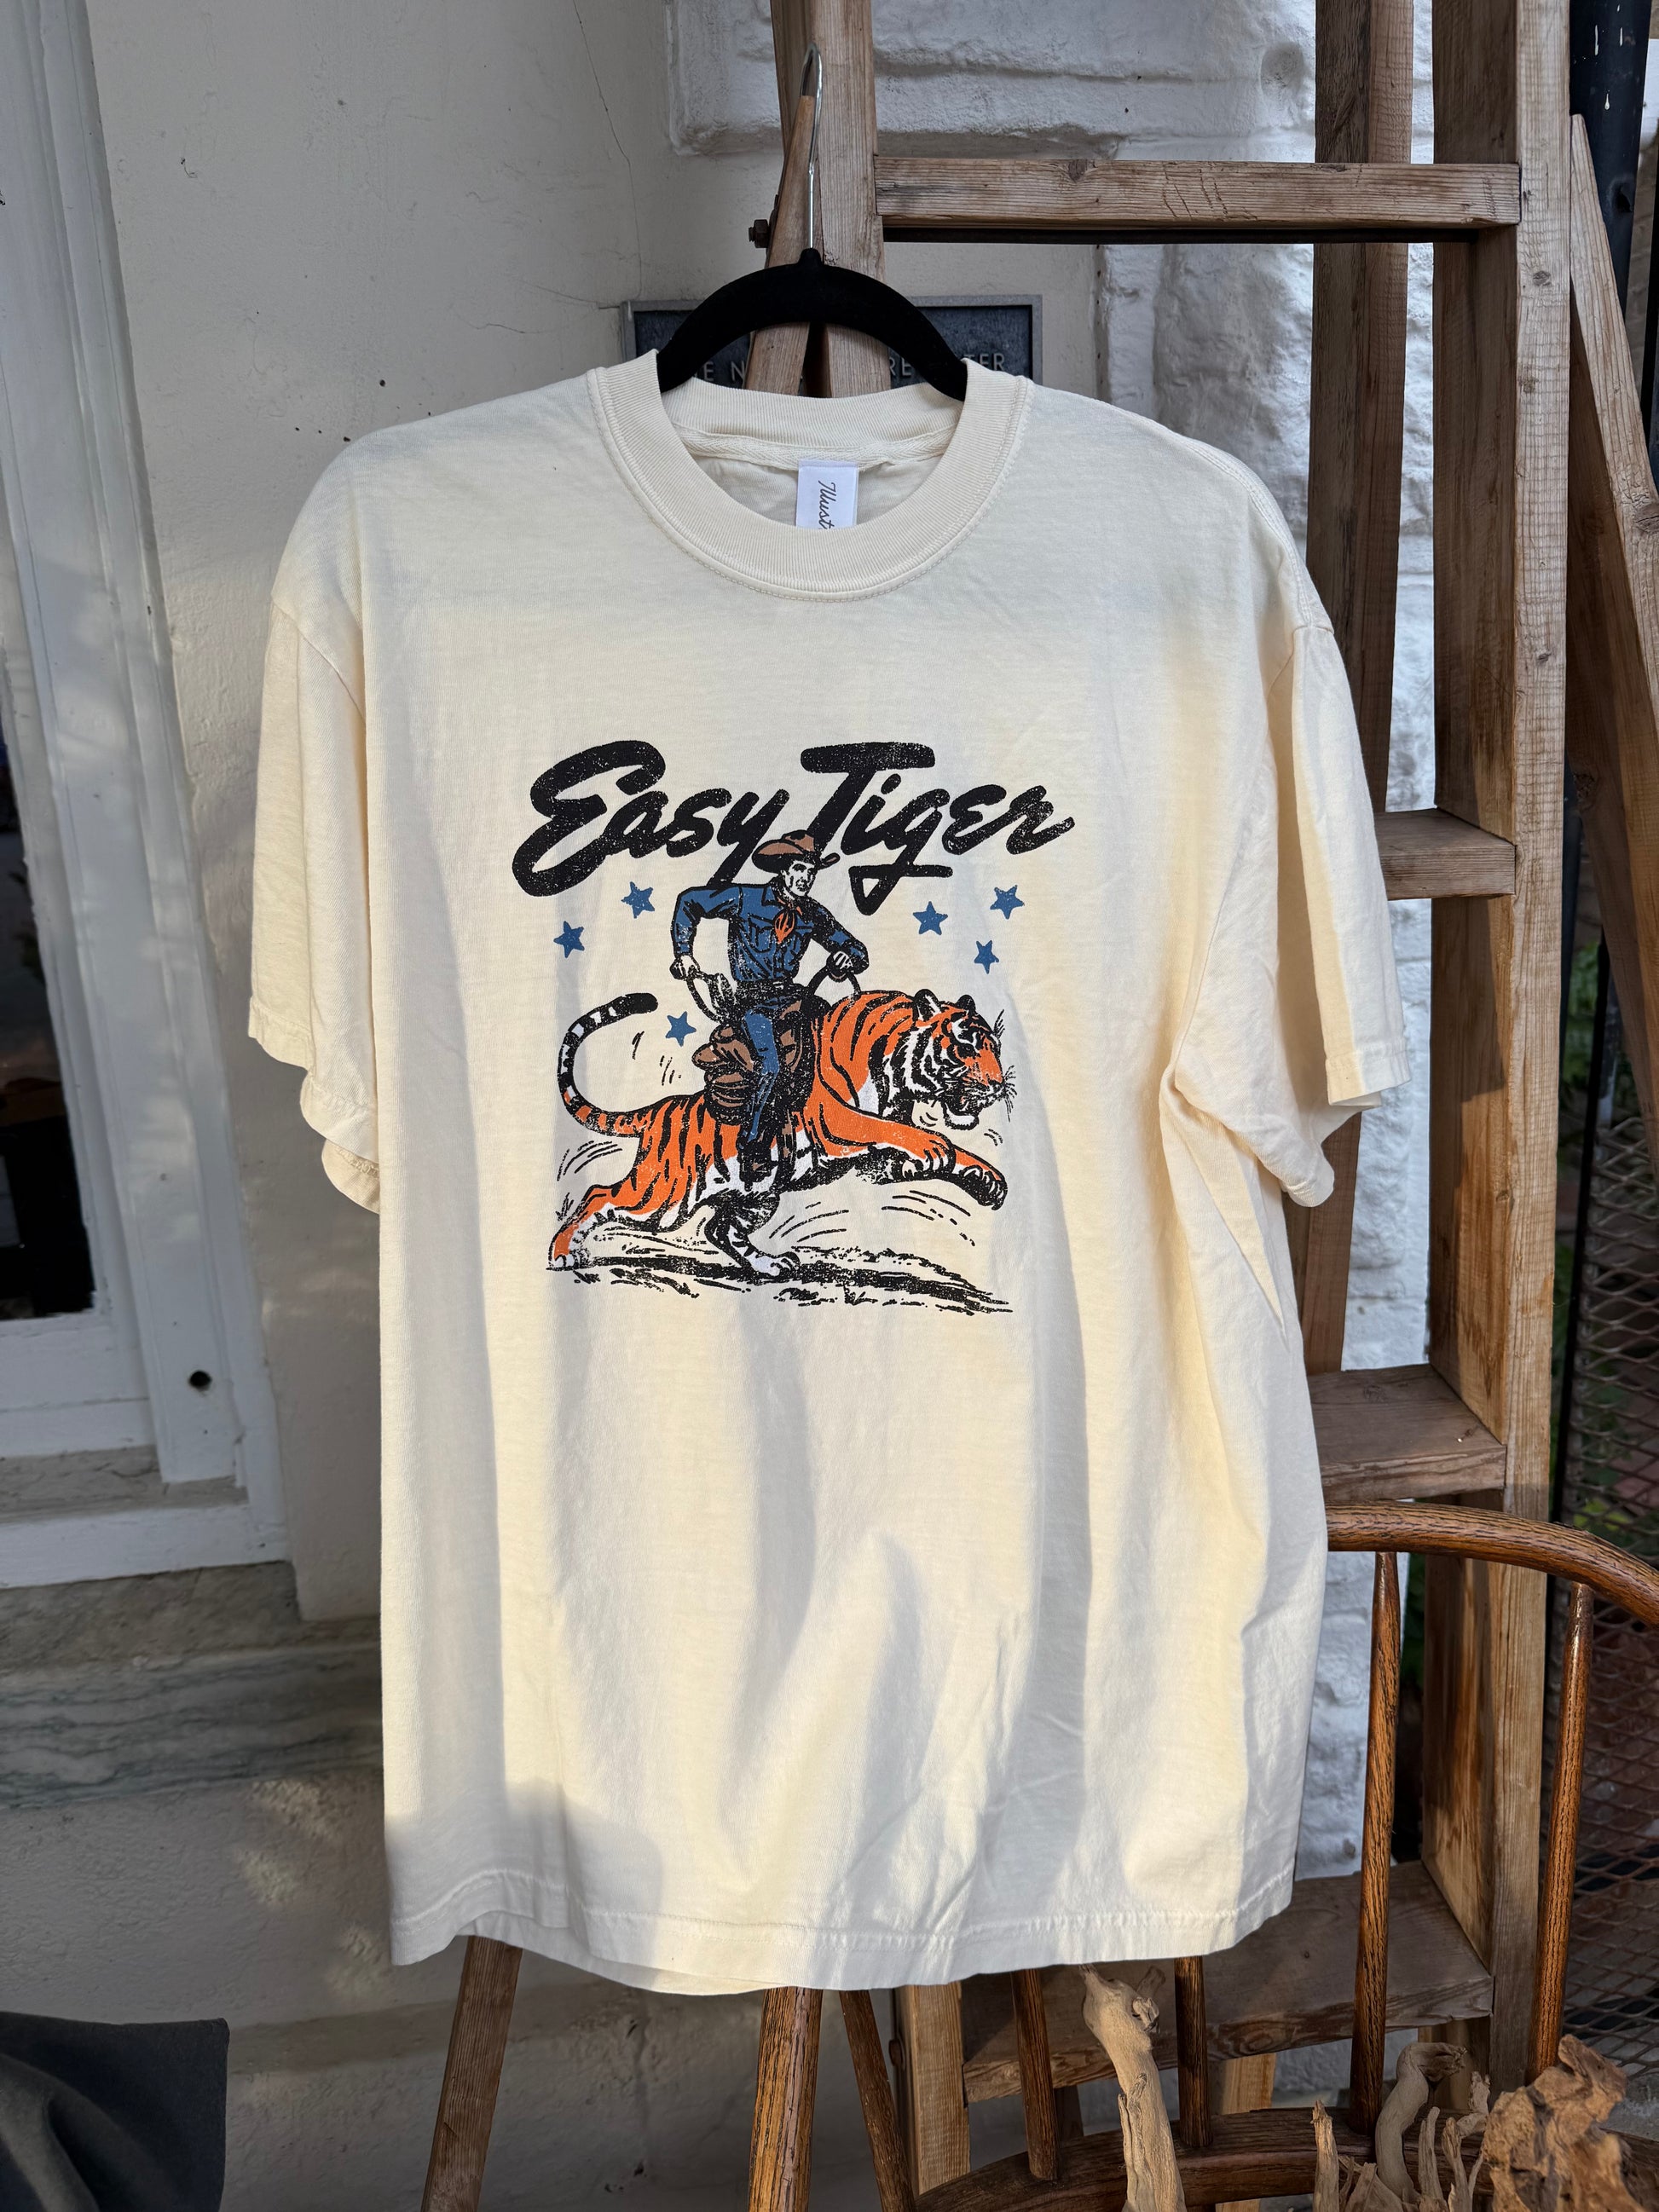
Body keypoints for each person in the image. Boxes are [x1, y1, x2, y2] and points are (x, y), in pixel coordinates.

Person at [671, 832, 869, 1175]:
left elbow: (857, 950)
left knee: (836, 1039)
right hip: (754, 1002)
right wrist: (684, 954)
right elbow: (690, 902)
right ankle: (753, 1147)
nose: (805, 878)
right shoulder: (745, 898)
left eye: (811, 871)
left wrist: (845, 958)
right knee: (771, 1067)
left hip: (793, 997)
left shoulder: (812, 913)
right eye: (799, 869)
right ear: (783, 869)